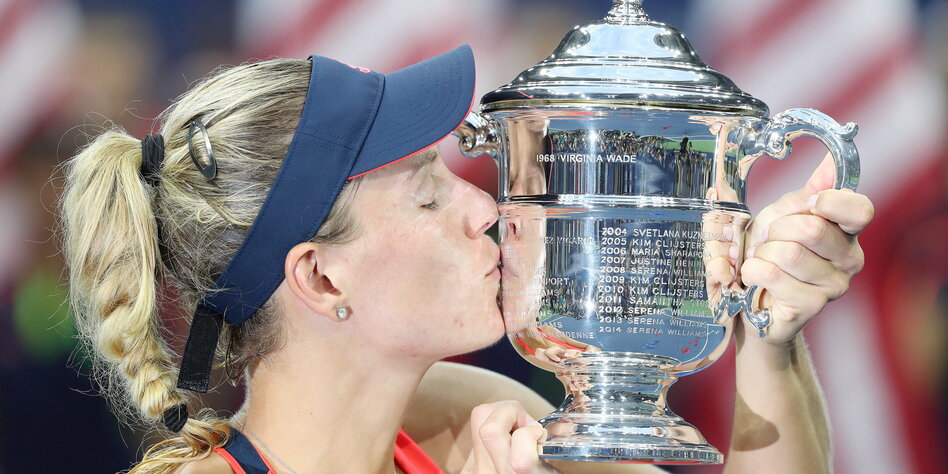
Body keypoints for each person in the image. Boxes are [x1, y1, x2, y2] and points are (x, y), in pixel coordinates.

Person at [57, 44, 873, 474]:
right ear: (320, 276)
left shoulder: (459, 410)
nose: (485, 209)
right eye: (425, 194)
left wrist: (769, 338)